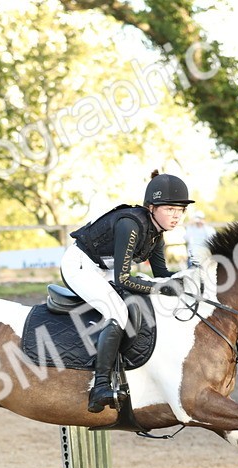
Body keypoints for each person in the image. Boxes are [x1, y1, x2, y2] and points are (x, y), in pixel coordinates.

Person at [63, 171, 193, 413]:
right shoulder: (130, 225)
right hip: (80, 266)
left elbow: (161, 274)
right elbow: (123, 280)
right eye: (170, 209)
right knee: (119, 312)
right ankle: (99, 387)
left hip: (103, 269)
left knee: (145, 291)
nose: (176, 216)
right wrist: (161, 288)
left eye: (180, 210)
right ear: (151, 207)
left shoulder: (156, 235)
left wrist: (189, 282)